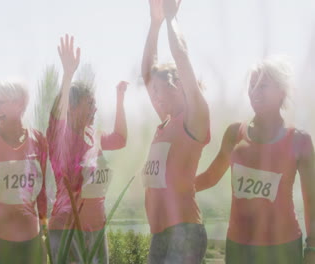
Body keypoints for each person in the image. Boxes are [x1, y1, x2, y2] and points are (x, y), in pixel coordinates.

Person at [195, 57, 315, 264]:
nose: (255, 92)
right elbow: (211, 177)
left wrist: (312, 247)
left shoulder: (300, 139)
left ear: (281, 91)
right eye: (252, 86)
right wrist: (174, 189)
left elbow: (311, 199)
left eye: (263, 86)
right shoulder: (234, 133)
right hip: (239, 248)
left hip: (283, 249)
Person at [47, 34, 128, 263]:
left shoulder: (96, 136)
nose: (95, 107)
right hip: (67, 233)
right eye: (89, 103)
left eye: (95, 102)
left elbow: (121, 139)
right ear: (71, 108)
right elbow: (56, 115)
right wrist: (68, 74)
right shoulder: (61, 138)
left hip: (96, 232)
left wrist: (120, 98)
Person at [141, 0, 210, 263]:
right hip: (160, 233)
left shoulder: (194, 118)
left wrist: (171, 18)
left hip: (185, 232)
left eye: (159, 90)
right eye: (153, 92)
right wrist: (154, 24)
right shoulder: (167, 122)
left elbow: (182, 59)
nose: (154, 97)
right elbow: (147, 74)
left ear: (178, 84)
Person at [0, 81, 48, 264]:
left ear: (19, 103)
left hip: (31, 244)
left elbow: (41, 192)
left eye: (1, 102)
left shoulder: (38, 140)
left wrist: (43, 237)